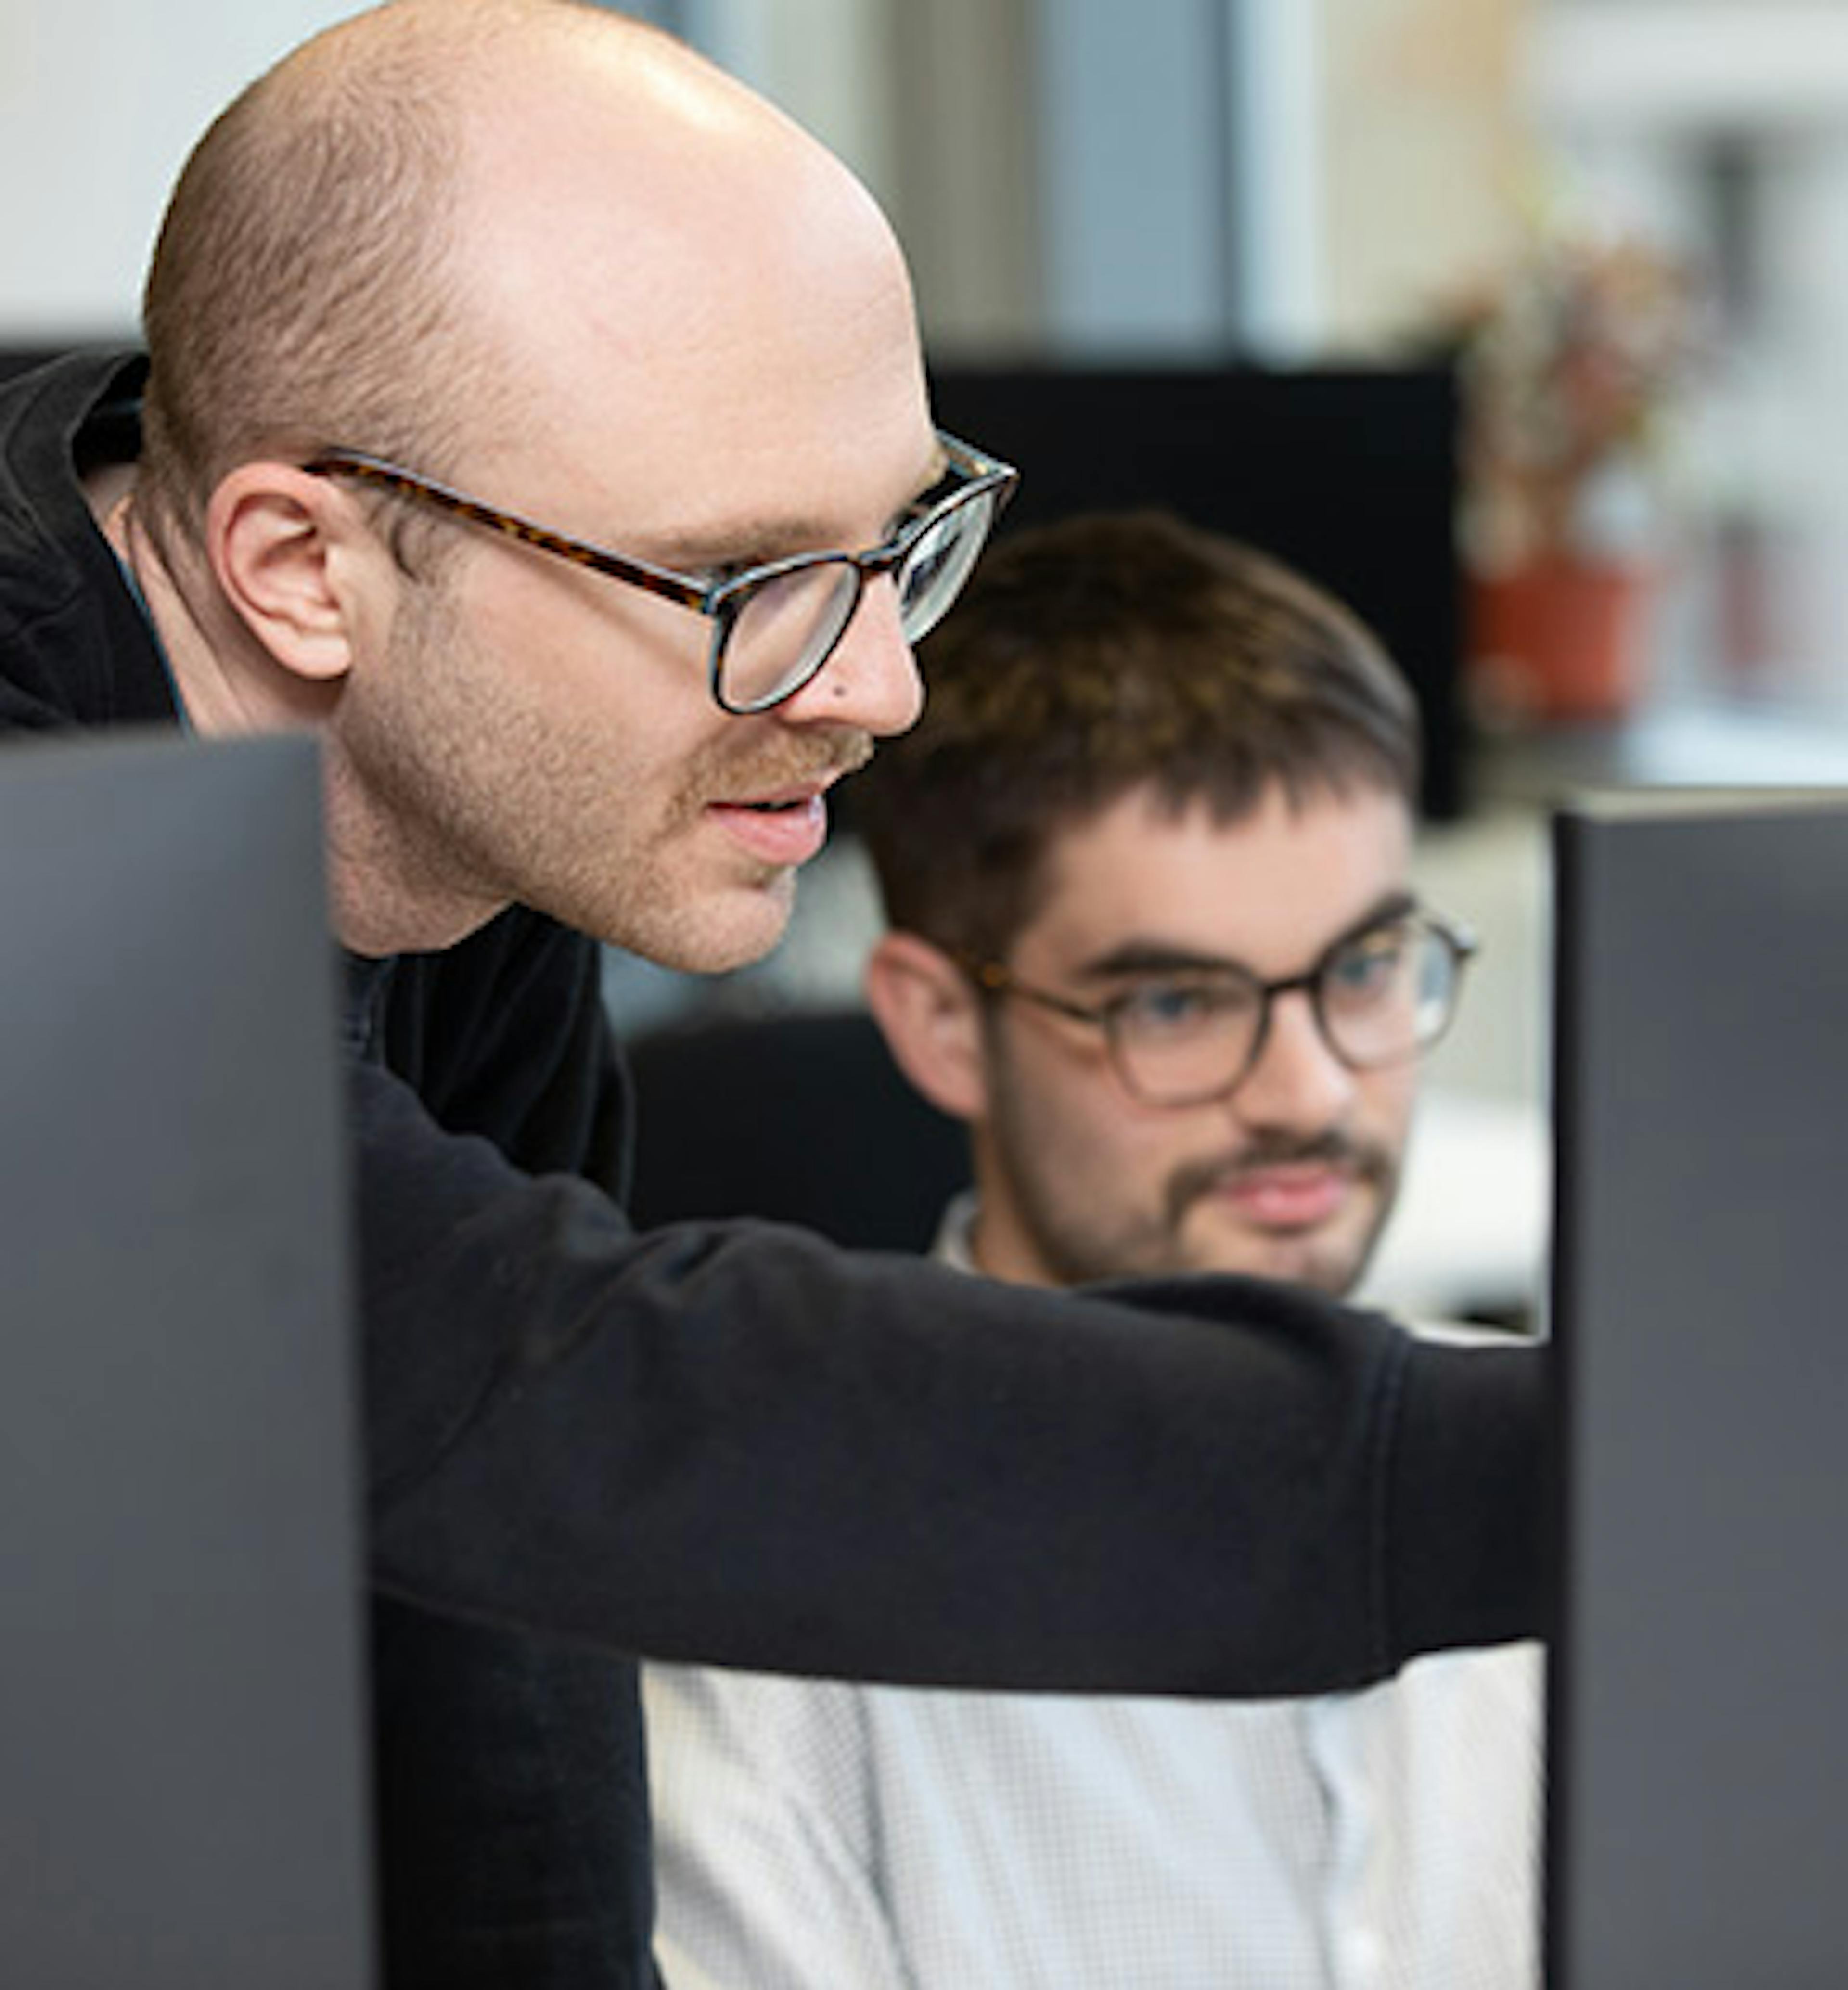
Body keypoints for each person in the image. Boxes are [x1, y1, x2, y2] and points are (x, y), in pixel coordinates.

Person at [0, 6, 1542, 1985]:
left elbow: (496, 1634)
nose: (879, 685)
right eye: (745, 583)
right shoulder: (51, 861)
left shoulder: (452, 782)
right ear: (304, 564)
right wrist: (1640, 1467)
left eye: (898, 542)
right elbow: (576, 1405)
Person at [645, 511, 1543, 1990]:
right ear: (944, 1025)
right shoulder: (756, 1628)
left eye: (1369, 970)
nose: (1314, 1094)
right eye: (1178, 1006)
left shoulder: (1583, 1487)